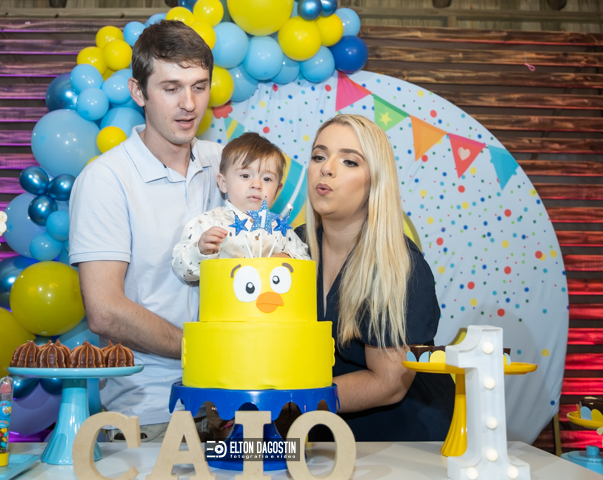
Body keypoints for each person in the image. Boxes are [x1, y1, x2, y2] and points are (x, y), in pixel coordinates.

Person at [68, 20, 223, 442]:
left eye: (199, 87)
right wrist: (205, 349)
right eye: (171, 88)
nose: (189, 104)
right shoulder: (106, 179)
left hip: (236, 399)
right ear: (138, 92)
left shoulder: (225, 164)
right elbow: (105, 311)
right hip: (152, 412)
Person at [296, 114, 454, 442]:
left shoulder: (401, 265)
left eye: (350, 161)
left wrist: (291, 400)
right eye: (319, 156)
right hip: (326, 436)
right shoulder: (291, 248)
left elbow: (388, 385)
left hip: (406, 443)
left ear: (375, 181)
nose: (327, 169)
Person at [172, 132, 309, 282]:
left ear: (277, 190)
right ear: (223, 183)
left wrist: (289, 258)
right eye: (245, 176)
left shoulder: (281, 230)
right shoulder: (208, 223)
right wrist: (200, 251)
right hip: (223, 297)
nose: (256, 185)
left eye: (267, 179)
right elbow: (180, 268)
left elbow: (307, 265)